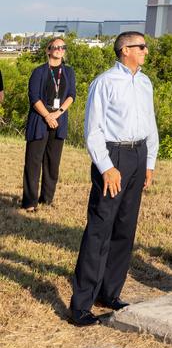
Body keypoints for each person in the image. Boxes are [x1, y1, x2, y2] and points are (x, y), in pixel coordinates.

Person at [69, 31, 158, 326]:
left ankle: (110, 293)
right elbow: (93, 129)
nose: (146, 51)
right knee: (100, 228)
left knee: (125, 228)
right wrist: (106, 167)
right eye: (141, 46)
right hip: (113, 156)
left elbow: (150, 123)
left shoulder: (145, 83)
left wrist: (149, 162)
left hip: (138, 154)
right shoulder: (105, 82)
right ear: (124, 50)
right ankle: (81, 304)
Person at [22, 36, 77, 211]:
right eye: (56, 47)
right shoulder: (39, 72)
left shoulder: (68, 72)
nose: (59, 50)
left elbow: (71, 96)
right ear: (48, 50)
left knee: (53, 163)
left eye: (63, 47)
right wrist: (47, 116)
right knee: (33, 162)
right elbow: (34, 97)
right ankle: (30, 202)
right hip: (40, 119)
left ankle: (47, 199)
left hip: (59, 119)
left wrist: (58, 114)